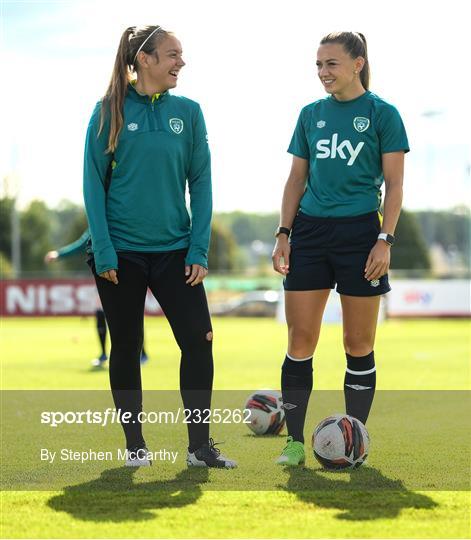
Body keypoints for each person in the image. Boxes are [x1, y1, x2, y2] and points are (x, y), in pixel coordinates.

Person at [83, 25, 236, 468]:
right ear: (144, 59)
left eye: (181, 55)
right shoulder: (108, 110)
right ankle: (136, 448)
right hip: (120, 254)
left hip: (175, 251)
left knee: (200, 341)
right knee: (126, 346)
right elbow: (92, 184)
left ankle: (199, 449)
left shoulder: (188, 112)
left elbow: (202, 181)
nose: (180, 63)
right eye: (172, 54)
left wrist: (198, 248)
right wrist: (106, 250)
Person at [272, 31, 409, 465]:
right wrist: (283, 233)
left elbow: (395, 184)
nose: (322, 72)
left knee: (357, 342)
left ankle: (355, 441)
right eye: (318, 64)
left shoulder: (383, 114)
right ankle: (294, 442)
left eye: (331, 63)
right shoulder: (310, 114)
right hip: (310, 233)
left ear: (357, 63)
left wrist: (385, 239)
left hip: (360, 236)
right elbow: (296, 179)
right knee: (301, 339)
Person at [44, 230, 149, 367]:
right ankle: (105, 354)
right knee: (103, 310)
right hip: (107, 272)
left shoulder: (116, 220)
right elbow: (83, 243)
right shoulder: (99, 222)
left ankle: (141, 353)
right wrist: (59, 254)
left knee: (131, 314)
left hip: (124, 270)